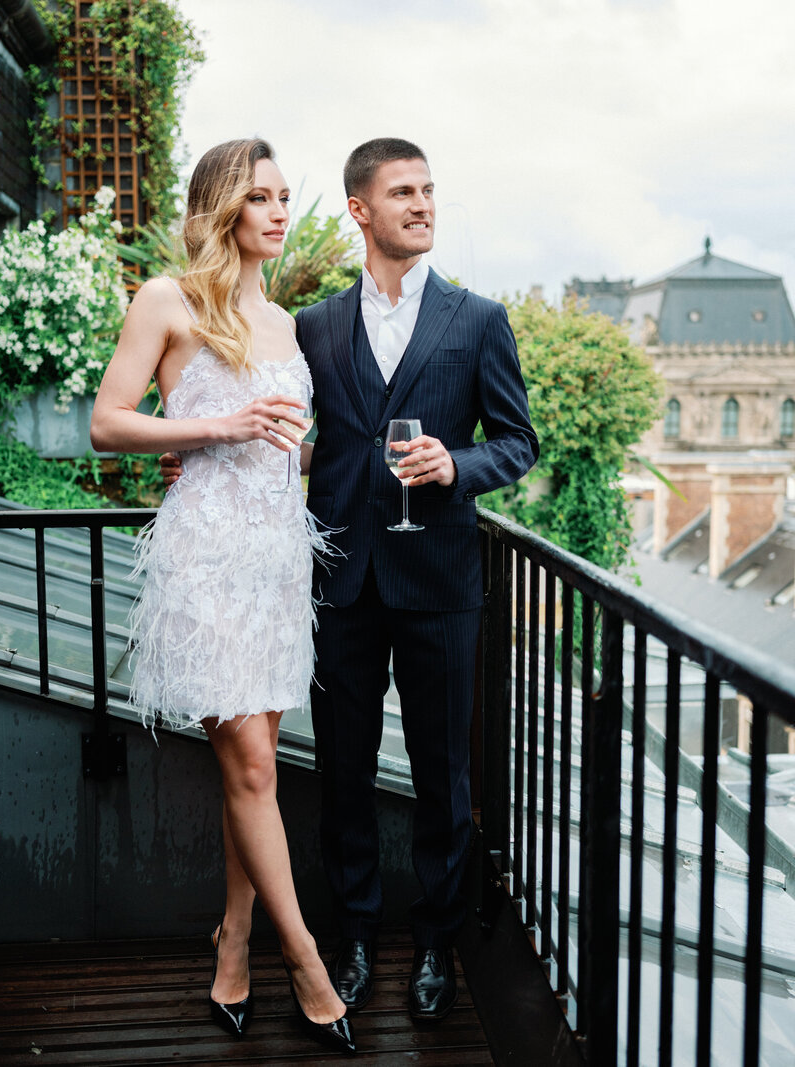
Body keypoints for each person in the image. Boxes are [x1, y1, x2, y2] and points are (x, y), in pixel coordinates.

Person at [163, 136, 538, 1021]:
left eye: (430, 191)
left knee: (446, 776)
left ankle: (438, 944)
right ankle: (357, 939)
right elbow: (282, 430)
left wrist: (459, 464)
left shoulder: (479, 319)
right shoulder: (313, 326)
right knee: (341, 774)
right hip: (338, 580)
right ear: (361, 210)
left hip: (443, 580)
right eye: (402, 192)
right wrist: (191, 458)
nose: (424, 205)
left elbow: (518, 442)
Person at [90, 138, 355, 1055]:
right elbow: (107, 420)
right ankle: (309, 962)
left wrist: (361, 461)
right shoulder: (168, 298)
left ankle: (235, 938)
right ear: (223, 208)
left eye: (286, 197)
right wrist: (214, 425)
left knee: (260, 772)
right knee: (248, 767)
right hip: (202, 560)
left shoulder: (283, 323)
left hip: (278, 560)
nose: (280, 212)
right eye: (262, 198)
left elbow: (284, 449)